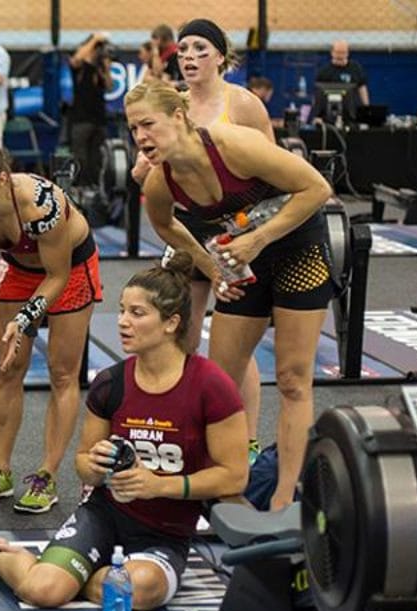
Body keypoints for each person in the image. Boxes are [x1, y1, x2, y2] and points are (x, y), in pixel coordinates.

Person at [0, 253, 248, 611]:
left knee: (138, 590)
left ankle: (75, 575)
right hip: (104, 515)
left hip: (165, 533)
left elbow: (234, 477)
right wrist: (98, 465)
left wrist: (160, 485)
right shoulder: (111, 382)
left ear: (171, 323)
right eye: (121, 311)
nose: (122, 322)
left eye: (137, 313)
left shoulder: (211, 386)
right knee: (42, 592)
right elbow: (83, 463)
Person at [128, 79, 334, 512]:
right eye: (132, 129)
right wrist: (211, 266)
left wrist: (259, 239)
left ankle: (284, 500)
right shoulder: (162, 182)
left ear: (179, 117)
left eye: (148, 124)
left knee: (294, 379)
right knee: (220, 382)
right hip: (245, 256)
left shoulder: (232, 144)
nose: (140, 137)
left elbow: (317, 189)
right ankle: (231, 490)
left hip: (298, 248)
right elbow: (165, 226)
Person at [131, 19, 274, 463]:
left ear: (219, 56)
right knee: (182, 335)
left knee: (234, 341)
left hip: (238, 230)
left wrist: (256, 236)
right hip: (191, 230)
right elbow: (147, 163)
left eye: (199, 48)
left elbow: (272, 169)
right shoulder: (173, 104)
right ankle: (188, 429)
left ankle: (245, 437)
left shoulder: (244, 104)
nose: (188, 57)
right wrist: (144, 168)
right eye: (184, 49)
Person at [0, 125, 101, 514]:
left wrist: (27, 317)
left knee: (63, 373)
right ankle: (0, 470)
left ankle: (46, 474)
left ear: (1, 179)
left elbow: (57, 275)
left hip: (68, 268)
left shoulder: (39, 202)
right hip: (16, 267)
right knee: (7, 368)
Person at [68, 33, 111, 187]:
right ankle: (80, 188)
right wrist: (94, 40)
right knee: (81, 158)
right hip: (81, 119)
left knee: (97, 158)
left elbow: (109, 85)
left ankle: (97, 188)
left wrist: (105, 69)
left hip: (99, 119)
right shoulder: (80, 67)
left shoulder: (98, 68)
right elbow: (76, 59)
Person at [314, 40, 369, 123]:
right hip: (328, 116)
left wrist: (366, 109)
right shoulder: (324, 71)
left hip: (352, 115)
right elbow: (318, 95)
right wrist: (317, 115)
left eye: (343, 53)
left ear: (348, 53)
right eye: (338, 52)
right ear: (332, 53)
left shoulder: (355, 69)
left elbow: (362, 89)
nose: (340, 56)